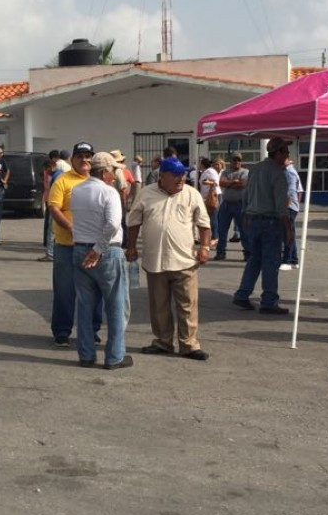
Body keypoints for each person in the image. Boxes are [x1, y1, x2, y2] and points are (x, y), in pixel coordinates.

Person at [126, 156, 213, 361]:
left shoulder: (192, 194)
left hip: (184, 261)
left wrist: (205, 248)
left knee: (187, 306)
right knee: (159, 306)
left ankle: (189, 345)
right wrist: (130, 247)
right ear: (162, 176)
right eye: (176, 175)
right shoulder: (146, 193)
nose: (181, 178)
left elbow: (204, 224)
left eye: (183, 174)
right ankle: (163, 342)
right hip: (155, 259)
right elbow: (133, 222)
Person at [70, 152, 132, 369]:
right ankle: (115, 356)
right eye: (113, 170)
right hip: (106, 252)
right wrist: (98, 249)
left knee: (85, 306)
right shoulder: (109, 192)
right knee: (116, 305)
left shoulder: (77, 190)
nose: (116, 174)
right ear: (105, 172)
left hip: (79, 249)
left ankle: (86, 355)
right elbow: (113, 224)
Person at [48, 142, 103, 347]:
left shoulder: (97, 182)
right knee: (64, 291)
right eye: (80, 156)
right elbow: (54, 208)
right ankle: (62, 331)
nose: (85, 160)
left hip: (92, 246)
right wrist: (72, 228)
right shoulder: (62, 181)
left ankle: (92, 330)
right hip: (66, 245)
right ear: (72, 160)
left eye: (88, 156)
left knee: (95, 290)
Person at [232, 138, 293, 315]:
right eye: (286, 152)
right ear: (278, 153)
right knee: (270, 262)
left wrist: (244, 214)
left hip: (253, 220)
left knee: (255, 259)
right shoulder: (278, 173)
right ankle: (269, 300)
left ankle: (243, 294)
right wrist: (288, 229)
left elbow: (246, 194)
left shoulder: (255, 169)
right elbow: (282, 207)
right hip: (270, 222)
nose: (287, 156)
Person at [215, 154, 248, 260]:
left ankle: (248, 253)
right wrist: (233, 182)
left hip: (240, 204)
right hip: (226, 204)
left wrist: (228, 183)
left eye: (238, 160)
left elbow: (242, 184)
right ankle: (220, 252)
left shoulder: (245, 172)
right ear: (230, 161)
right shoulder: (225, 172)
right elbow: (220, 183)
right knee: (222, 230)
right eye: (234, 160)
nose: (236, 162)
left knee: (244, 231)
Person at [38, 158, 63, 262]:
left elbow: (55, 193)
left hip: (56, 206)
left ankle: (50, 254)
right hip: (60, 206)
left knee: (51, 230)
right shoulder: (61, 174)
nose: (46, 172)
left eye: (46, 169)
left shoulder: (57, 176)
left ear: (51, 167)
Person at [280, 155, 303, 270]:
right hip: (290, 206)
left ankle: (287, 261)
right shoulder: (286, 171)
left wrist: (286, 206)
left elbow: (290, 191)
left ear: (288, 160)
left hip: (288, 207)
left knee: (287, 233)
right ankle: (294, 260)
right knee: (289, 233)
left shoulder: (289, 172)